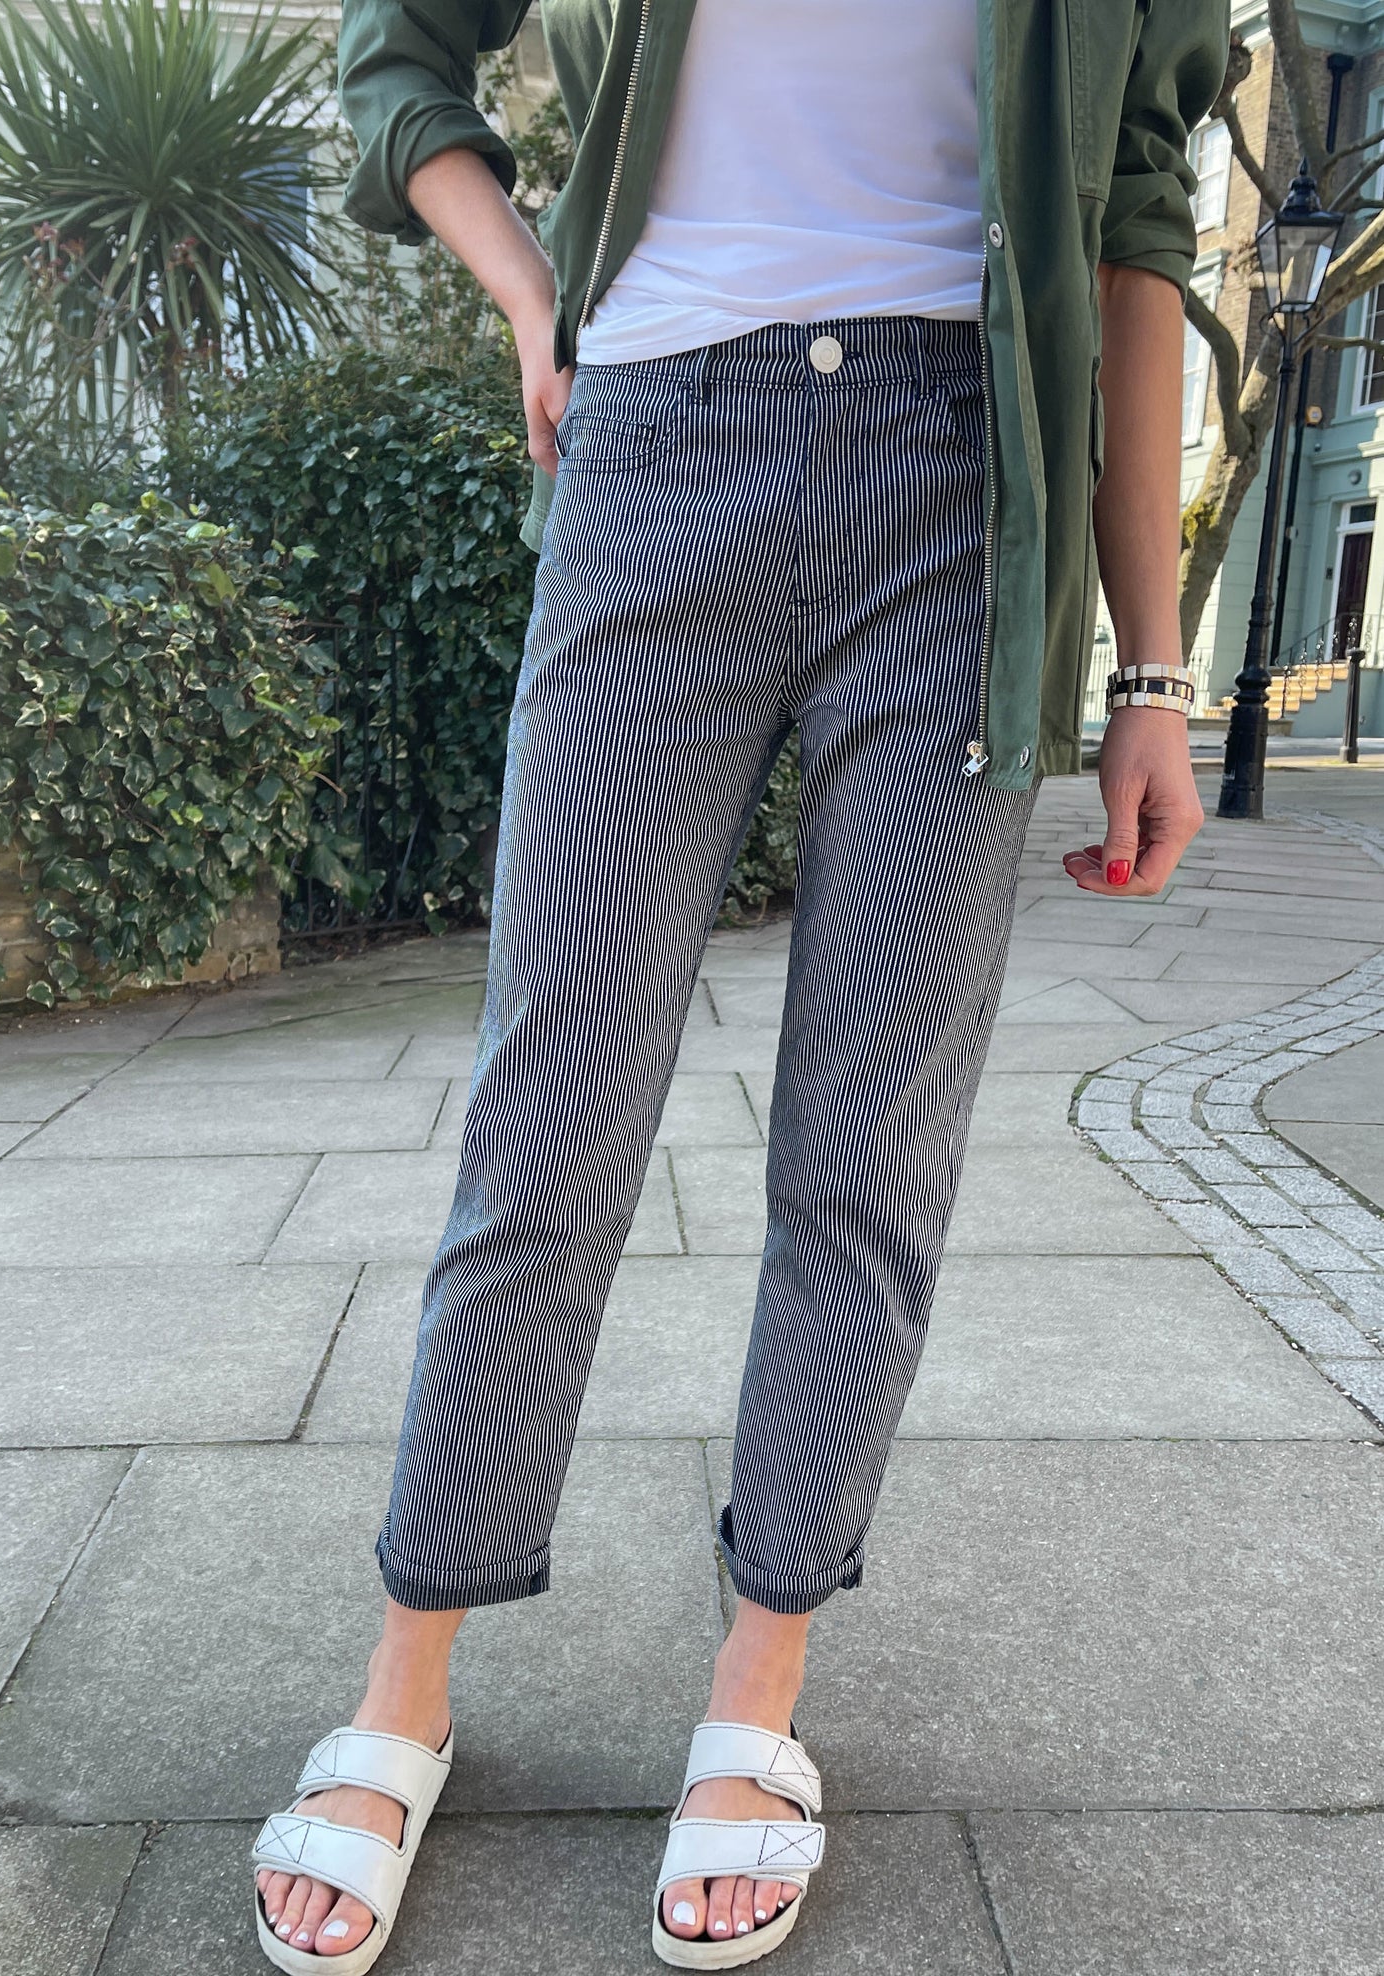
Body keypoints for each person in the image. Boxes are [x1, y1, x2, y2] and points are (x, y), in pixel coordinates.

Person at [251, 2, 1230, 1968]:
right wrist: (530, 292)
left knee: (872, 1149)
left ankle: (757, 1686)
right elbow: (397, 50)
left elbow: (1136, 232)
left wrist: (1148, 668)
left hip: (971, 484)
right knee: (548, 1119)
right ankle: (405, 1678)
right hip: (654, 439)